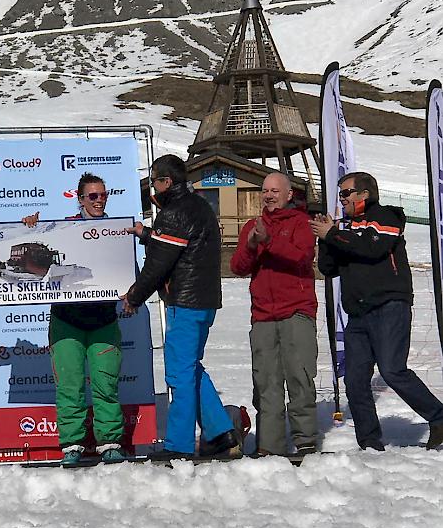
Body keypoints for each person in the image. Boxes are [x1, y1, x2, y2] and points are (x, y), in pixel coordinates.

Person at [310, 170, 443, 451]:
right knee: (355, 380)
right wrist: (325, 238)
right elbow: (328, 268)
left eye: (346, 193)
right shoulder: (344, 229)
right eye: (340, 194)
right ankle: (369, 441)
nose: (342, 199)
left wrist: (333, 234)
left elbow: (372, 248)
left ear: (364, 194)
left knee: (392, 370)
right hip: (357, 313)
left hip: (389, 304)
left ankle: (439, 417)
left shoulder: (387, 216)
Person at [122, 154, 242, 461]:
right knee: (190, 368)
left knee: (179, 374)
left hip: (185, 303)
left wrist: (134, 297)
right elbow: (177, 246)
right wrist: (148, 234)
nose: (152, 187)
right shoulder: (200, 206)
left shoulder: (173, 212)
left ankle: (179, 444)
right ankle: (220, 432)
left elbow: (159, 264)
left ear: (166, 182)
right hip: (203, 302)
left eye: (154, 181)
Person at [22, 173, 125, 467]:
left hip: (103, 320)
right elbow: (34, 248)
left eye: (103, 195)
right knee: (70, 385)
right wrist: (29, 229)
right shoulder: (62, 229)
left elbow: (126, 271)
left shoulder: (115, 231)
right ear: (80, 199)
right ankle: (72, 444)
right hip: (67, 321)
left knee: (106, 386)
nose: (99, 200)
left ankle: (110, 442)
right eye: (92, 196)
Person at [231, 172, 318, 458]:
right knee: (265, 383)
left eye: (274, 190)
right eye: (265, 190)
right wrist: (254, 244)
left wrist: (268, 241)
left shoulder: (302, 223)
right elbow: (238, 267)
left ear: (289, 194)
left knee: (299, 377)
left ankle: (304, 440)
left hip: (296, 311)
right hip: (263, 316)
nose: (268, 195)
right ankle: (270, 445)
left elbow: (301, 257)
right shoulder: (252, 226)